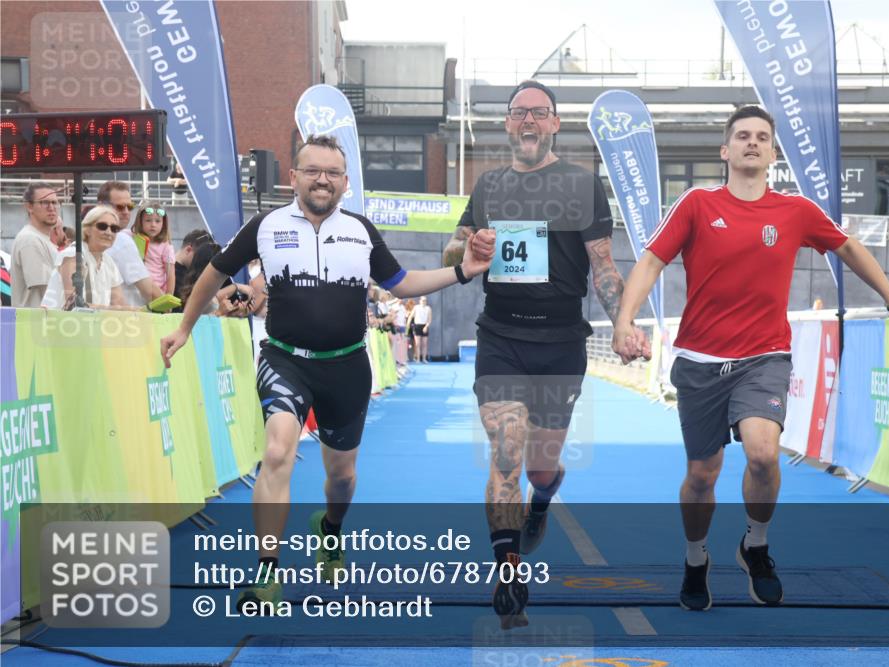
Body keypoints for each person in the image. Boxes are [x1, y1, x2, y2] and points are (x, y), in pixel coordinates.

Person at [160, 135, 495, 613]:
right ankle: (268, 573)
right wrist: (185, 327)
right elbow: (213, 272)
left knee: (342, 478)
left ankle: (331, 527)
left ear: (345, 182)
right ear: (293, 177)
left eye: (333, 173)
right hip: (284, 359)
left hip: (347, 365)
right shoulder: (265, 226)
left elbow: (402, 283)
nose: (322, 179)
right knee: (277, 451)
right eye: (312, 170)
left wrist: (463, 272)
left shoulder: (361, 230)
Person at [612, 105, 889, 612]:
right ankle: (695, 558)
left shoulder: (796, 211)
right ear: (725, 150)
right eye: (742, 136)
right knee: (703, 474)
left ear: (773, 153)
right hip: (701, 360)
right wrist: (625, 320)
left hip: (765, 357)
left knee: (762, 453)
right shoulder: (696, 203)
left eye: (761, 138)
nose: (752, 143)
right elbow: (650, 261)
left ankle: (756, 544)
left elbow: (849, 249)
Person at [441, 80, 634, 629]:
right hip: (501, 337)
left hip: (561, 343)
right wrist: (469, 246)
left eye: (539, 113)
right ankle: (508, 566)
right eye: (519, 112)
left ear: (553, 124)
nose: (528, 120)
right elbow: (451, 251)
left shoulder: (580, 185)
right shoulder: (488, 187)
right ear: (507, 124)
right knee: (506, 447)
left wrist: (621, 322)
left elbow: (603, 267)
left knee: (540, 466)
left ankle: (542, 501)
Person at [41, 205, 126, 309]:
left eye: (114, 228)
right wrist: (117, 310)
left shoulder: (108, 261)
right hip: (58, 323)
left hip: (92, 323)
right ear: (87, 229)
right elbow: (74, 305)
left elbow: (120, 303)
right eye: (102, 226)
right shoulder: (73, 255)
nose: (109, 232)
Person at [97, 181, 163, 307]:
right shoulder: (121, 240)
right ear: (101, 206)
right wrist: (170, 309)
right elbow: (150, 292)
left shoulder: (89, 240)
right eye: (120, 207)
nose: (126, 212)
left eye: (130, 206)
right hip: (129, 319)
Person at [11, 183, 61, 307]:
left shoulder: (41, 239)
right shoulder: (29, 239)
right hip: (34, 323)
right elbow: (48, 289)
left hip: (44, 321)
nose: (51, 208)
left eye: (55, 202)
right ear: (29, 207)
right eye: (44, 202)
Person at [130, 201, 176, 295]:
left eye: (158, 221)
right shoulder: (132, 238)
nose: (153, 225)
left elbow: (170, 274)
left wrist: (168, 297)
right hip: (136, 290)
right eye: (148, 220)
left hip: (156, 293)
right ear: (140, 221)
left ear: (164, 223)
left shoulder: (166, 247)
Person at [409, 296, 432, 362]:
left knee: (424, 343)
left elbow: (429, 319)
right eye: (422, 300)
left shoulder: (428, 308)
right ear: (420, 301)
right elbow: (411, 316)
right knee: (417, 343)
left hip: (424, 325)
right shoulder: (416, 307)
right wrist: (409, 325)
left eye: (425, 300)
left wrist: (426, 326)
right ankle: (418, 359)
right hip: (417, 326)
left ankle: (424, 358)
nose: (423, 302)